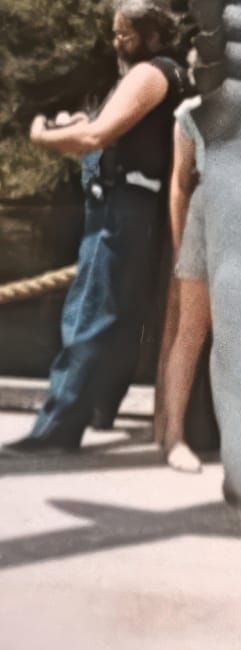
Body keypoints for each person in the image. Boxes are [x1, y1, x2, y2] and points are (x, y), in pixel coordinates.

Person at [3, 0, 185, 454]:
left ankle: (56, 430)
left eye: (125, 34)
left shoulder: (149, 73)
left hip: (121, 210)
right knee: (115, 317)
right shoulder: (159, 74)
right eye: (115, 33)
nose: (116, 42)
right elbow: (101, 128)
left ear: (154, 37)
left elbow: (94, 137)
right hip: (131, 207)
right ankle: (98, 411)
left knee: (88, 315)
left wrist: (43, 134)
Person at [157, 93, 212, 473]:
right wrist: (180, 248)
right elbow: (180, 182)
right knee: (191, 330)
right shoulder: (191, 112)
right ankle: (174, 436)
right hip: (207, 214)